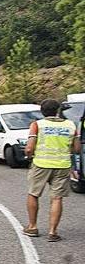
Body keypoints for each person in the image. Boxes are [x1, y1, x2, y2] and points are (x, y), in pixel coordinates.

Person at [24, 99, 81, 241]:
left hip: (41, 164)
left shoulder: (37, 125)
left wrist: (29, 155)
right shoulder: (71, 125)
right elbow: (77, 149)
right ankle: (53, 232)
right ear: (58, 111)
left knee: (33, 194)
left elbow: (30, 148)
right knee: (57, 198)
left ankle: (32, 227)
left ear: (42, 112)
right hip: (62, 165)